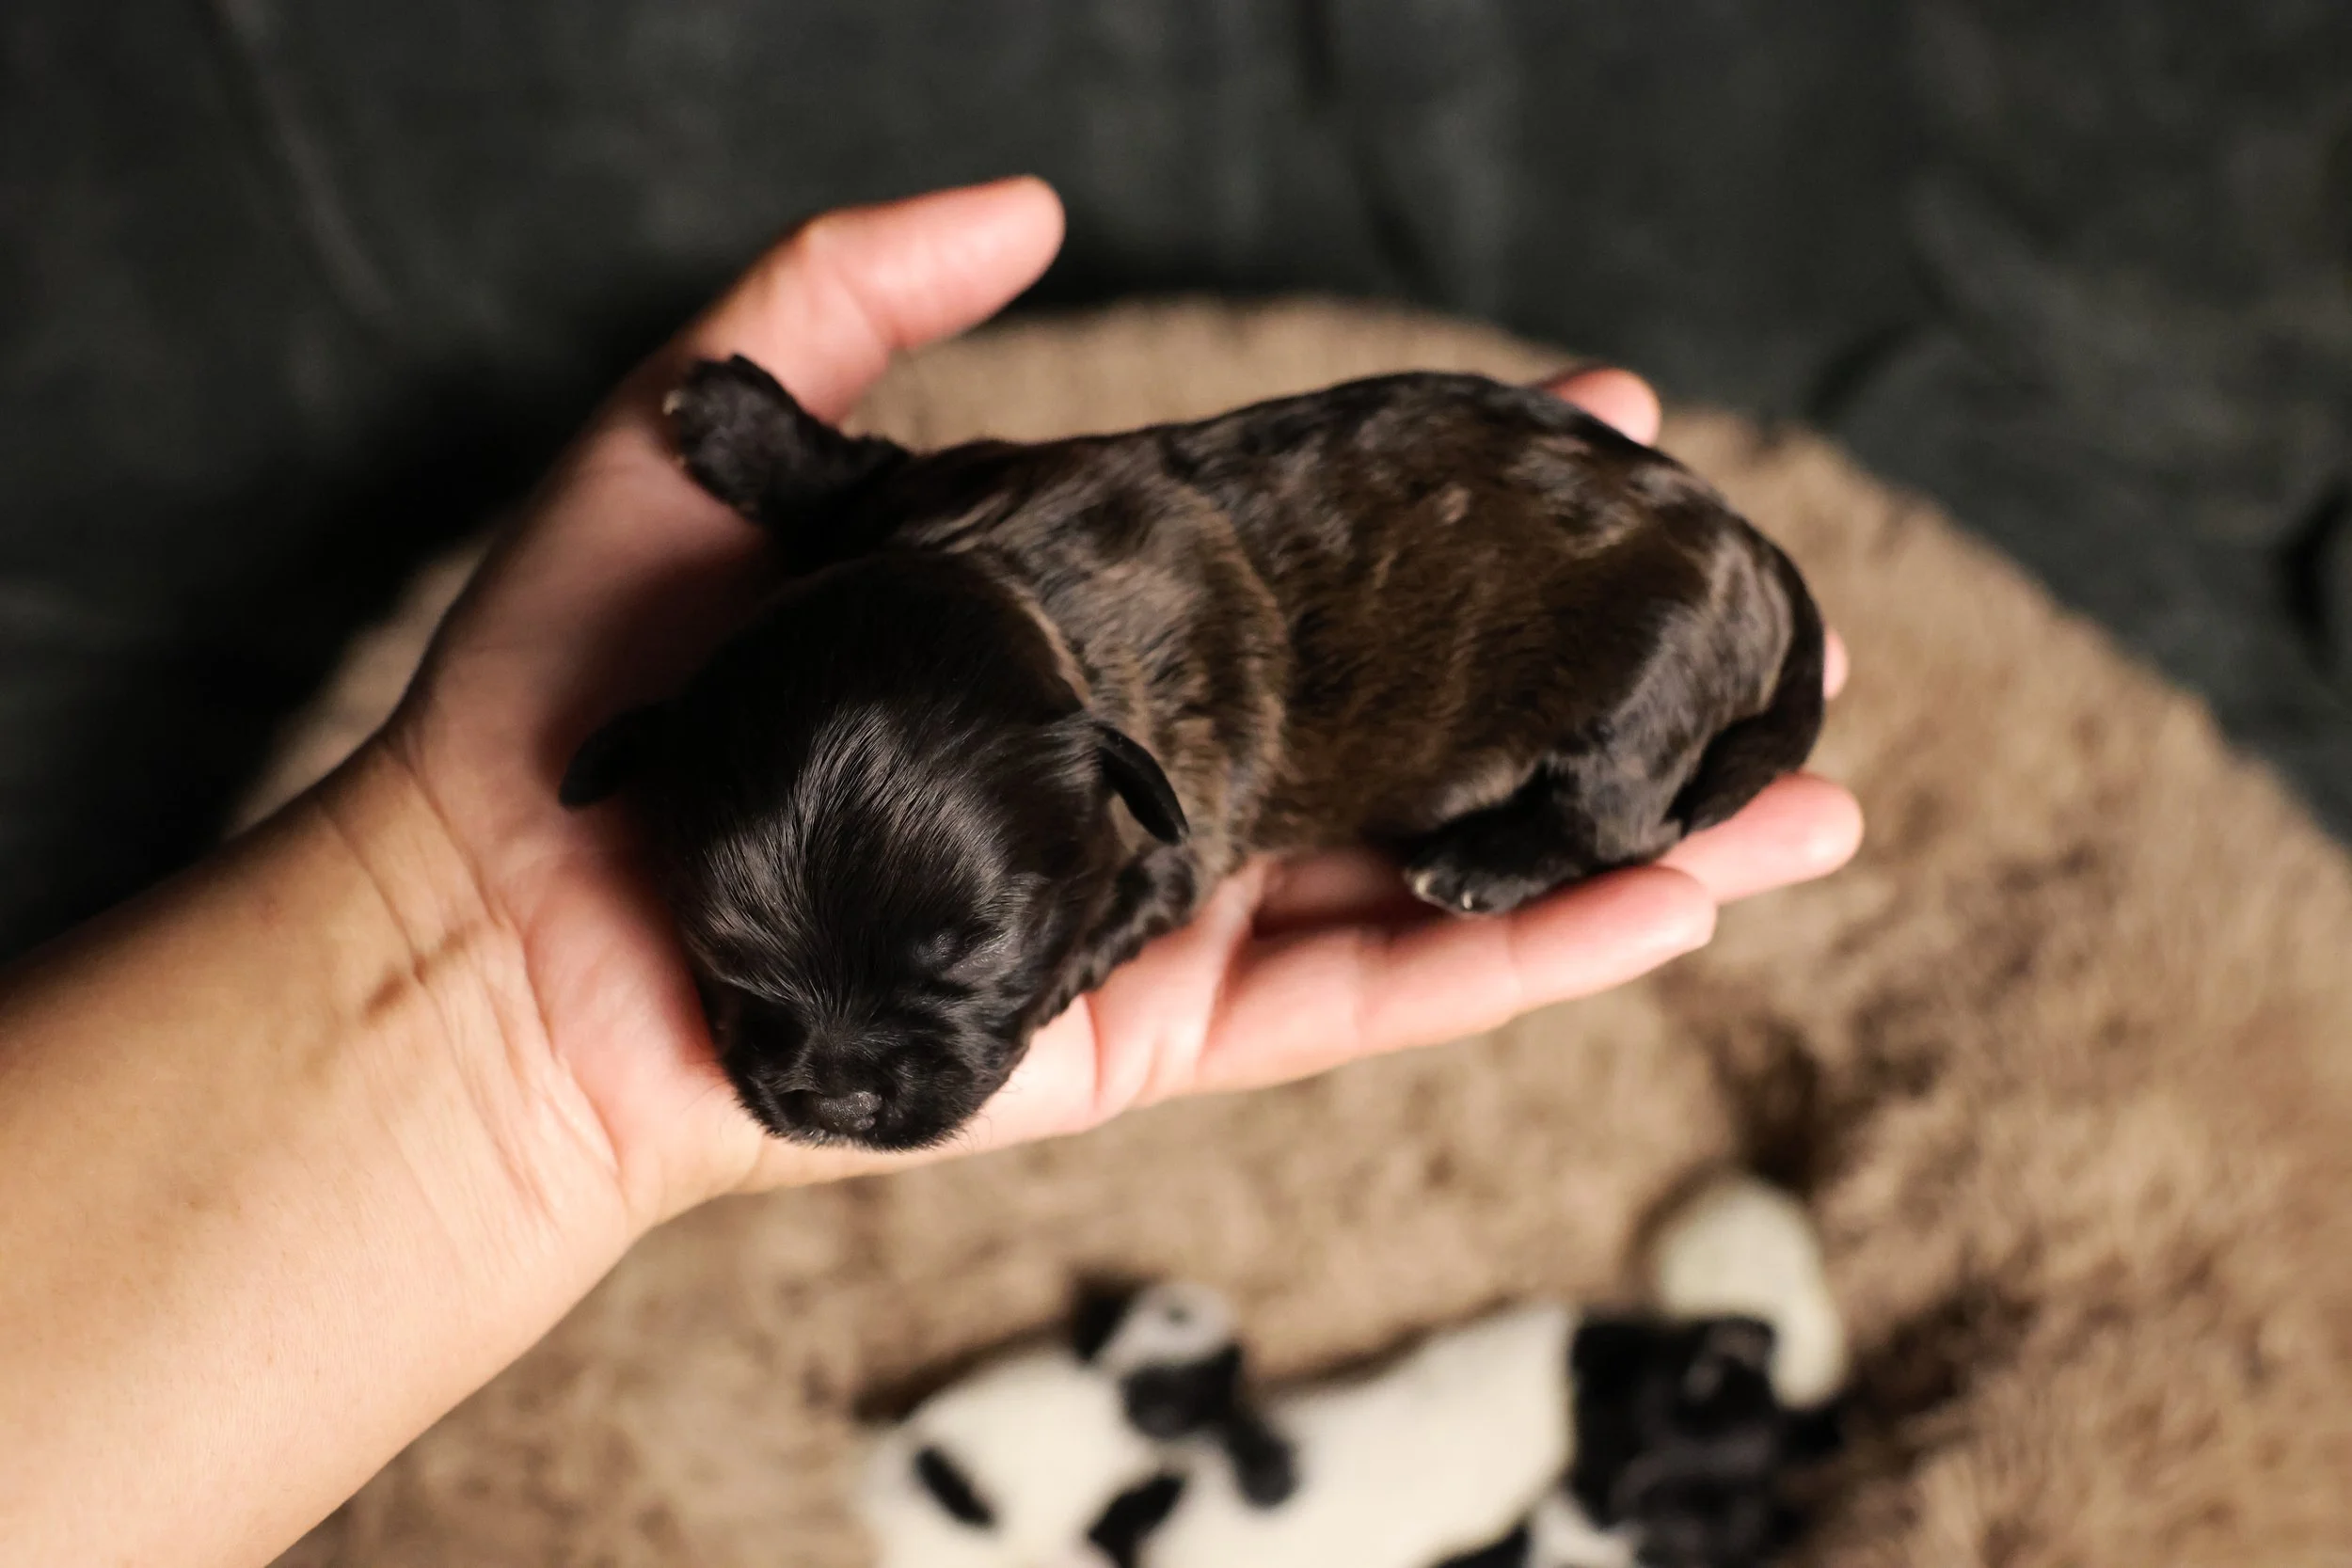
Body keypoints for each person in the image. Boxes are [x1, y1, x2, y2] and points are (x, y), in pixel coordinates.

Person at [0, 177, 1860, 1567]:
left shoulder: (1168, 757)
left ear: (1111, 795)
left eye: (959, 988)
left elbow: (1166, 854)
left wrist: (1522, 841)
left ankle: (1572, 815)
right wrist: (802, 472)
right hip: (1156, 549)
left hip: (1610, 638)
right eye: (751, 982)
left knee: (1617, 811)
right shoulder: (947, 536)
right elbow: (885, 493)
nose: (819, 1080)